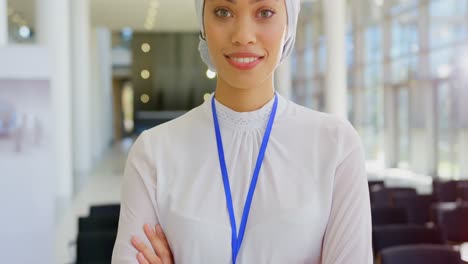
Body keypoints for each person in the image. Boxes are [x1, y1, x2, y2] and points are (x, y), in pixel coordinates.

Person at [111, 0, 373, 263]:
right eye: (223, 12)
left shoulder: (336, 146)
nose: (243, 36)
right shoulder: (154, 152)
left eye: (265, 12)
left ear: (289, 25)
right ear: (203, 24)